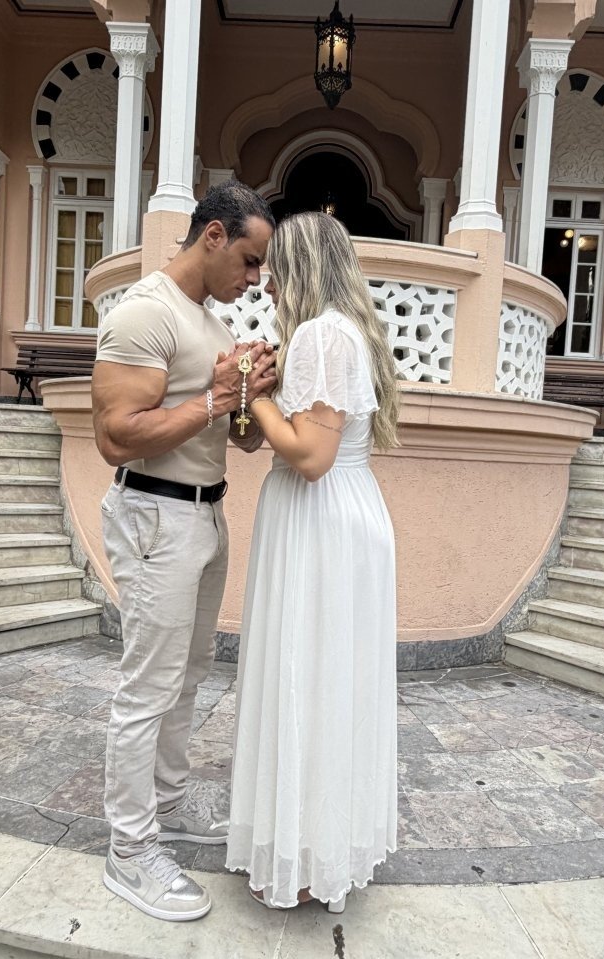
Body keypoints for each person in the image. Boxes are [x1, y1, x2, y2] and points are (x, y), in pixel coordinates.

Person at [91, 180, 277, 923]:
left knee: (190, 675)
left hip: (204, 512)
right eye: (249, 259)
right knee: (149, 685)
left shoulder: (207, 321)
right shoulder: (146, 312)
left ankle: (164, 806)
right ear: (213, 235)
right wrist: (215, 396)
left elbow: (236, 437)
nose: (254, 278)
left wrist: (248, 398)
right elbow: (117, 436)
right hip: (154, 514)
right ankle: (129, 849)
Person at [225, 212, 400, 913]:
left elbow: (310, 455)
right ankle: (318, 846)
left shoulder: (323, 335)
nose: (264, 283)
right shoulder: (340, 332)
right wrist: (255, 397)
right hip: (338, 516)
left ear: (299, 269)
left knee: (308, 676)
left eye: (273, 269)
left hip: (319, 519)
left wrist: (253, 388)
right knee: (328, 681)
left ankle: (302, 858)